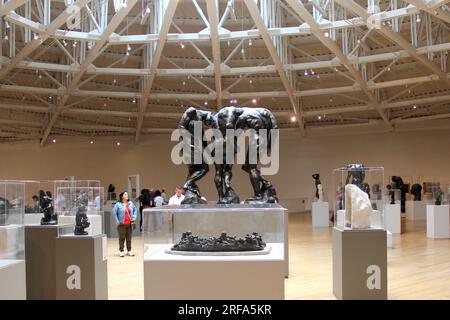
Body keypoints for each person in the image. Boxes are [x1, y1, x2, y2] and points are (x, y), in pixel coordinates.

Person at [112, 191, 137, 257]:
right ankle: (121, 251)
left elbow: (135, 210)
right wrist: (117, 221)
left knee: (129, 238)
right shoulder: (118, 204)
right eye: (125, 194)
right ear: (122, 196)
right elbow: (114, 213)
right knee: (122, 238)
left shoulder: (130, 203)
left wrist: (134, 217)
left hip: (129, 224)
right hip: (121, 224)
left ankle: (129, 250)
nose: (127, 195)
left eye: (127, 194)